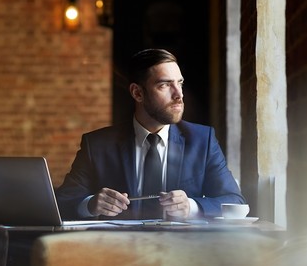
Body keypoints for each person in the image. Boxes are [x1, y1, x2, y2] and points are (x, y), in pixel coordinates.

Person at [55, 48, 245, 220]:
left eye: (180, 83)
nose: (179, 94)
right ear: (137, 93)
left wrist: (192, 206)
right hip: (117, 251)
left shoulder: (203, 140)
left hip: (183, 251)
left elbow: (235, 201)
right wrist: (90, 204)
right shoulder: (97, 144)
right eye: (165, 85)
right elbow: (62, 202)